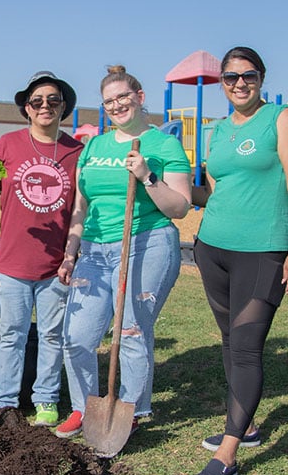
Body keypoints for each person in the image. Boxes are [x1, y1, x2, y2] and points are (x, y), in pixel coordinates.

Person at [189, 46, 288, 475]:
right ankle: (248, 425)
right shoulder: (217, 131)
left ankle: (228, 453)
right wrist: (158, 182)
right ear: (221, 82)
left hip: (264, 252)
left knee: (245, 346)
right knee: (229, 340)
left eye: (248, 75)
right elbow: (217, 190)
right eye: (230, 77)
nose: (239, 83)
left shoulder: (281, 118)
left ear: (261, 77)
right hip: (213, 248)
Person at [56, 65, 192, 440]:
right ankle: (84, 408)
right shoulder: (94, 147)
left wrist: (148, 176)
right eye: (109, 101)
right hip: (94, 252)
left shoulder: (164, 144)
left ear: (140, 97)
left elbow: (179, 207)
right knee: (76, 336)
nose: (117, 105)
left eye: (123, 97)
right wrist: (70, 252)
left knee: (131, 330)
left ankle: (130, 409)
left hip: (145, 243)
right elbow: (80, 208)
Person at [0, 71, 83, 426]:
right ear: (27, 109)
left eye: (53, 100)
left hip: (55, 265)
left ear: (63, 108)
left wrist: (71, 253)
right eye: (37, 101)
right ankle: (6, 402)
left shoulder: (76, 150)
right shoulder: (8, 145)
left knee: (51, 335)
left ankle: (46, 399)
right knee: (12, 334)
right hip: (13, 262)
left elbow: (80, 207)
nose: (45, 106)